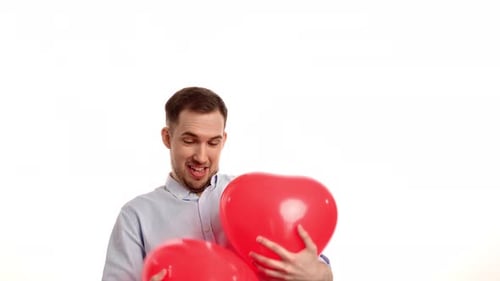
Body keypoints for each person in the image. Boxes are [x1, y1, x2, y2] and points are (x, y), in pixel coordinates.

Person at [102, 87, 334, 281]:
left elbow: (319, 271)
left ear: (223, 140)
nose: (201, 156)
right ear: (167, 137)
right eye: (190, 141)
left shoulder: (252, 197)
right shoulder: (136, 216)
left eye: (212, 143)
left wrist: (320, 274)